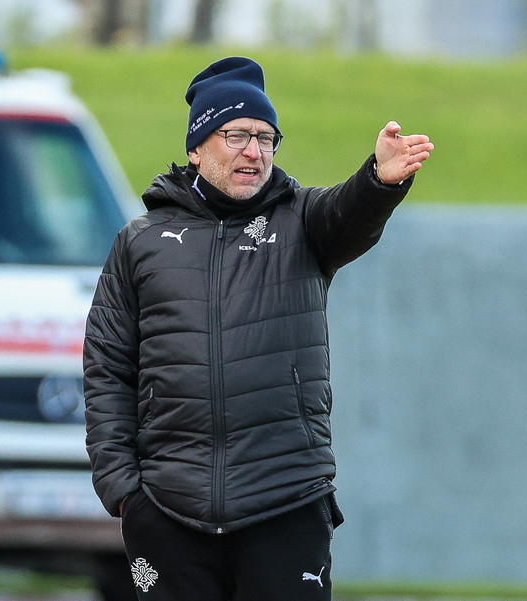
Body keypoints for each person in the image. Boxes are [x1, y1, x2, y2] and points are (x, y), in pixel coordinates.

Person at [83, 56, 433, 601]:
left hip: (286, 502)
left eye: (267, 138)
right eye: (238, 135)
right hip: (168, 512)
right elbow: (106, 369)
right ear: (196, 147)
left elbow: (349, 213)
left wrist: (377, 181)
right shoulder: (141, 241)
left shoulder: (303, 221)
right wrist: (124, 491)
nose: (255, 151)